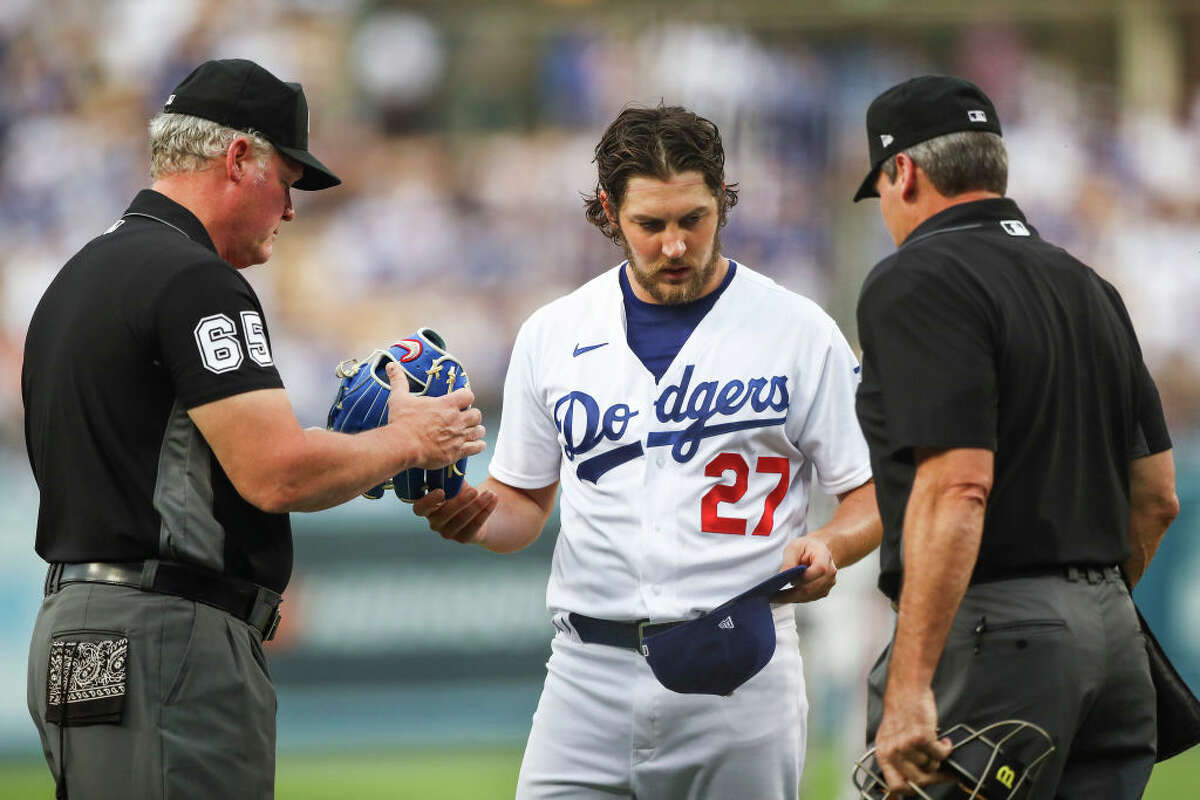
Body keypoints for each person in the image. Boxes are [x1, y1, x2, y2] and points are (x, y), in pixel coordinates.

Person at [22, 58, 484, 799]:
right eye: (288, 179)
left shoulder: (79, 278)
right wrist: (411, 439)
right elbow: (276, 472)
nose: (292, 209)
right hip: (166, 637)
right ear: (239, 157)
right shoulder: (195, 278)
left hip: (77, 629)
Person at [413, 104, 881, 798]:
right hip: (585, 674)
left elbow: (870, 494)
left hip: (741, 670)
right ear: (608, 211)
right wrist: (467, 508)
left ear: (722, 201)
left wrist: (832, 545)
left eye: (693, 219)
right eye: (650, 224)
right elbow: (522, 509)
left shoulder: (797, 330)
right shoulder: (555, 332)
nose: (673, 244)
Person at [852, 75, 1179, 798]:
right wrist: (1084, 612)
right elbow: (1156, 496)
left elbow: (959, 483)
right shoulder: (1089, 285)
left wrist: (910, 686)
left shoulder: (918, 277)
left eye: (879, 189)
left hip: (993, 634)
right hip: (1114, 641)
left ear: (901, 172)